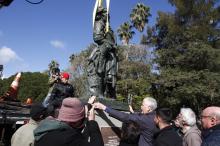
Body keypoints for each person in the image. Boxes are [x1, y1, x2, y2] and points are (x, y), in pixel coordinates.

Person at [34, 97, 104, 146]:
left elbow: (72, 127)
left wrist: (88, 106)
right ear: (76, 122)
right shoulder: (69, 139)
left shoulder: (44, 130)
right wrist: (92, 122)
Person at [87, 6, 117, 99]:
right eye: (105, 15)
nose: (107, 16)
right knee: (100, 71)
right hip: (103, 49)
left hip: (111, 52)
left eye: (107, 15)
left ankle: (111, 94)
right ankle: (98, 93)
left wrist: (112, 44)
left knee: (111, 76)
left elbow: (113, 41)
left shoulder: (109, 28)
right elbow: (97, 37)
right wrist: (107, 43)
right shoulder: (99, 23)